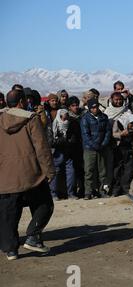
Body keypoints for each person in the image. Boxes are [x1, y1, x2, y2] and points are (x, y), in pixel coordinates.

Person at [0, 90, 56, 260]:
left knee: (8, 213)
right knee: (45, 204)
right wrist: (49, 170)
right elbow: (41, 147)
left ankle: (11, 250)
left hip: (5, 175)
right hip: (31, 172)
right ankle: (32, 236)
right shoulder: (31, 119)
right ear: (22, 102)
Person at [80, 98, 112, 200]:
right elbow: (85, 134)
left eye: (96, 107)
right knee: (89, 171)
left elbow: (107, 132)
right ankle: (88, 192)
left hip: (102, 148)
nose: (95, 109)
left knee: (102, 171)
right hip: (89, 149)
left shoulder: (103, 117)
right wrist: (94, 145)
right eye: (93, 107)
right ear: (89, 108)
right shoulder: (85, 118)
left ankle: (102, 191)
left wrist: (103, 143)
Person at [49, 109, 77, 200]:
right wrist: (63, 140)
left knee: (71, 171)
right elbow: (51, 141)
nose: (65, 118)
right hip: (57, 152)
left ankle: (71, 193)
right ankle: (53, 194)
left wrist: (69, 141)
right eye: (63, 116)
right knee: (56, 172)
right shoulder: (53, 125)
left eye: (66, 116)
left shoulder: (70, 125)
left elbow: (73, 138)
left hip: (68, 152)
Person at [112, 113, 133, 197]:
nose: (132, 127)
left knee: (128, 169)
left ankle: (125, 188)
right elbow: (113, 134)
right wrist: (121, 134)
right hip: (119, 149)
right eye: (131, 124)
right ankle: (116, 190)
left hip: (129, 150)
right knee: (117, 170)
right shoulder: (118, 123)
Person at [67, 96, 85, 198]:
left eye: (77, 105)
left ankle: (82, 190)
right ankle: (72, 192)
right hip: (72, 148)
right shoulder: (67, 118)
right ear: (69, 107)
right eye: (73, 106)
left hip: (82, 146)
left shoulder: (82, 116)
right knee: (73, 171)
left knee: (82, 170)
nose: (76, 107)